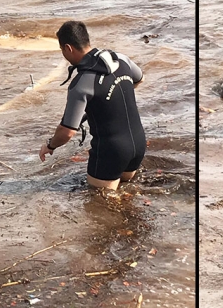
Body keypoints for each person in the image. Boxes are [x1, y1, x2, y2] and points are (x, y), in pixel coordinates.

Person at [39, 21, 146, 190]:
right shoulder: (120, 58)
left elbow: (67, 132)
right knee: (126, 195)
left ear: (68, 48)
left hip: (111, 151)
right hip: (139, 144)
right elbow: (139, 79)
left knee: (99, 205)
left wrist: (50, 145)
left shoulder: (81, 83)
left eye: (62, 51)